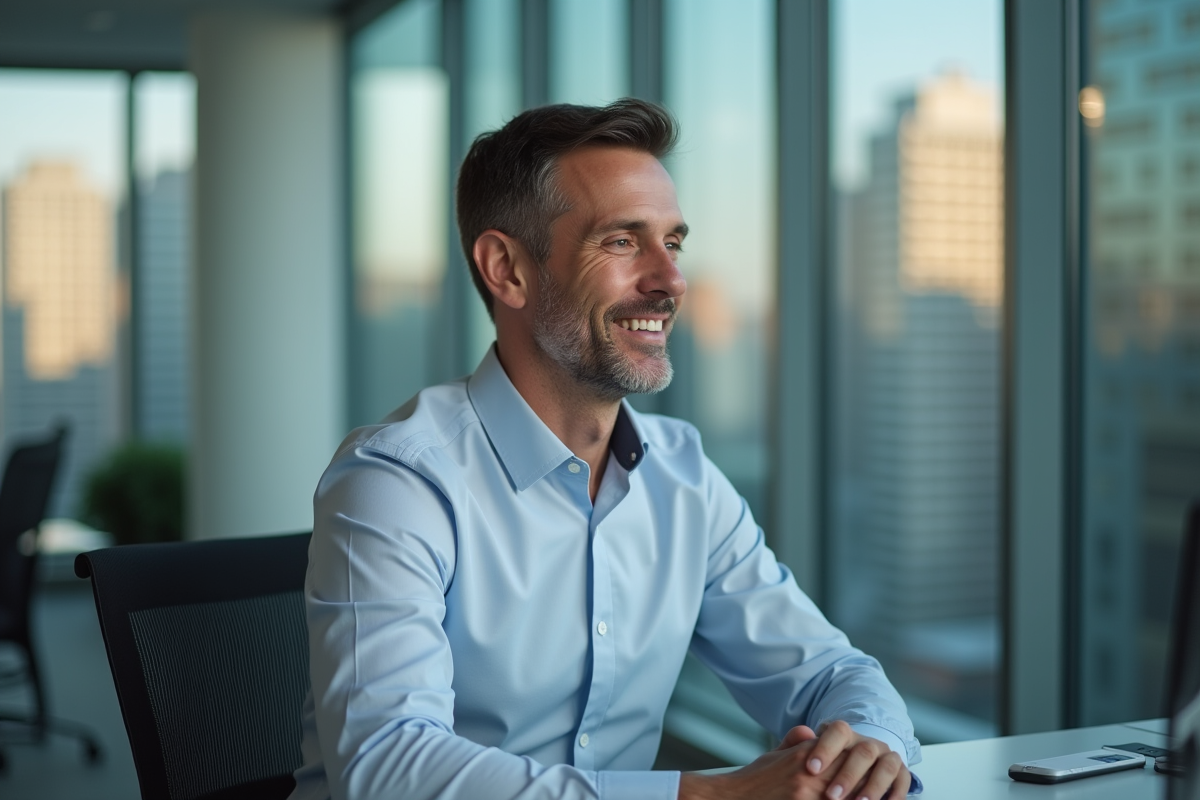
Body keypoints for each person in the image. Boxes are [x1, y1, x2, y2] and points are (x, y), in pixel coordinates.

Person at [290, 99, 921, 800]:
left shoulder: (683, 479)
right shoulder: (396, 482)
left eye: (672, 243)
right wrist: (709, 797)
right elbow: (387, 768)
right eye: (622, 242)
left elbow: (831, 674)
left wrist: (869, 750)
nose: (670, 280)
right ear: (507, 269)